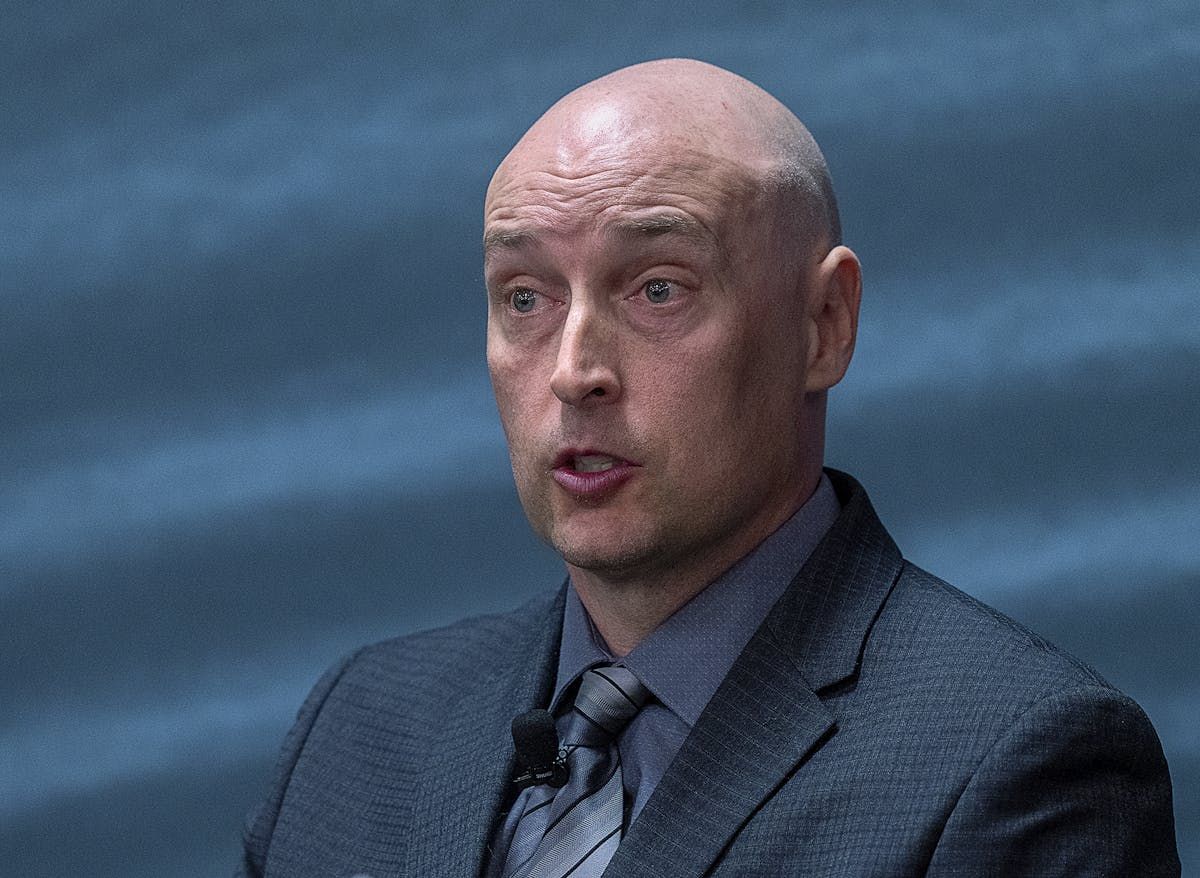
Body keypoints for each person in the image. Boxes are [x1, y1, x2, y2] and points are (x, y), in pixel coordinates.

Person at [239, 59, 1180, 877]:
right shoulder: (359, 728)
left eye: (658, 289)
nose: (573, 370)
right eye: (525, 298)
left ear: (824, 326)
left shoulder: (1020, 762)